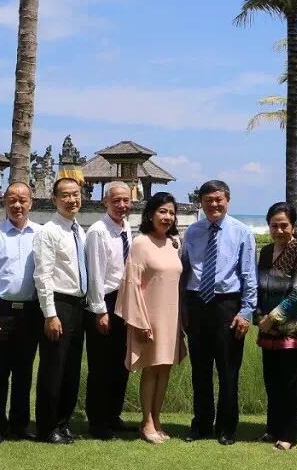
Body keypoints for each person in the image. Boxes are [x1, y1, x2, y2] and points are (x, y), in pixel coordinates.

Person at [181, 179, 257, 445]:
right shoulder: (192, 232)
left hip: (227, 306)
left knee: (228, 371)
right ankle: (201, 424)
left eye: (218, 199)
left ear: (227, 200)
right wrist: (183, 307)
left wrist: (246, 311)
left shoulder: (241, 232)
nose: (214, 204)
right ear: (200, 203)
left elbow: (249, 275)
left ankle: (226, 427)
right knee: (200, 370)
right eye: (208, 200)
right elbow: (185, 271)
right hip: (197, 304)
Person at [116, 191, 185, 444]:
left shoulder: (173, 244)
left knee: (165, 368)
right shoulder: (140, 243)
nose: (167, 217)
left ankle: (157, 418)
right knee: (151, 368)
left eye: (171, 213)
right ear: (150, 214)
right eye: (162, 211)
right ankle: (146, 422)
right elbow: (131, 284)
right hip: (149, 318)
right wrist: (140, 321)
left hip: (172, 317)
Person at [0, 182, 42, 445]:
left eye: (22, 200)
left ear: (31, 203)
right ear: (4, 202)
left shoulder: (40, 234)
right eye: (12, 200)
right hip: (0, 310)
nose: (17, 205)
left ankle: (19, 424)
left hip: (31, 311)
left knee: (24, 371)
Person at [254, 202, 297, 451]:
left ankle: (289, 434)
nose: (279, 230)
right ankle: (273, 428)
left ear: (293, 226)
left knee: (291, 381)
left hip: (294, 325)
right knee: (272, 380)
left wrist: (273, 318)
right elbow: (259, 286)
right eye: (274, 226)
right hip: (268, 326)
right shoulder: (266, 251)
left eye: (284, 225)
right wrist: (260, 316)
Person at [33, 178, 88, 444]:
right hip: (59, 304)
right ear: (54, 199)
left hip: (78, 305)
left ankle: (63, 422)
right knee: (53, 369)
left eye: (75, 194)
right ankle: (47, 427)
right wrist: (50, 314)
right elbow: (42, 275)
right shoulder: (49, 231)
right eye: (65, 195)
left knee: (71, 369)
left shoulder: (79, 230)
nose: (71, 200)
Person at [83, 182, 134, 439]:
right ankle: (98, 421)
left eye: (126, 200)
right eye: (116, 201)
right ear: (105, 202)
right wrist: (100, 311)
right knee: (101, 365)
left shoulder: (127, 228)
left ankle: (113, 415)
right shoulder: (98, 231)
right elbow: (95, 275)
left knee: (121, 364)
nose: (122, 205)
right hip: (104, 301)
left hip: (125, 300)